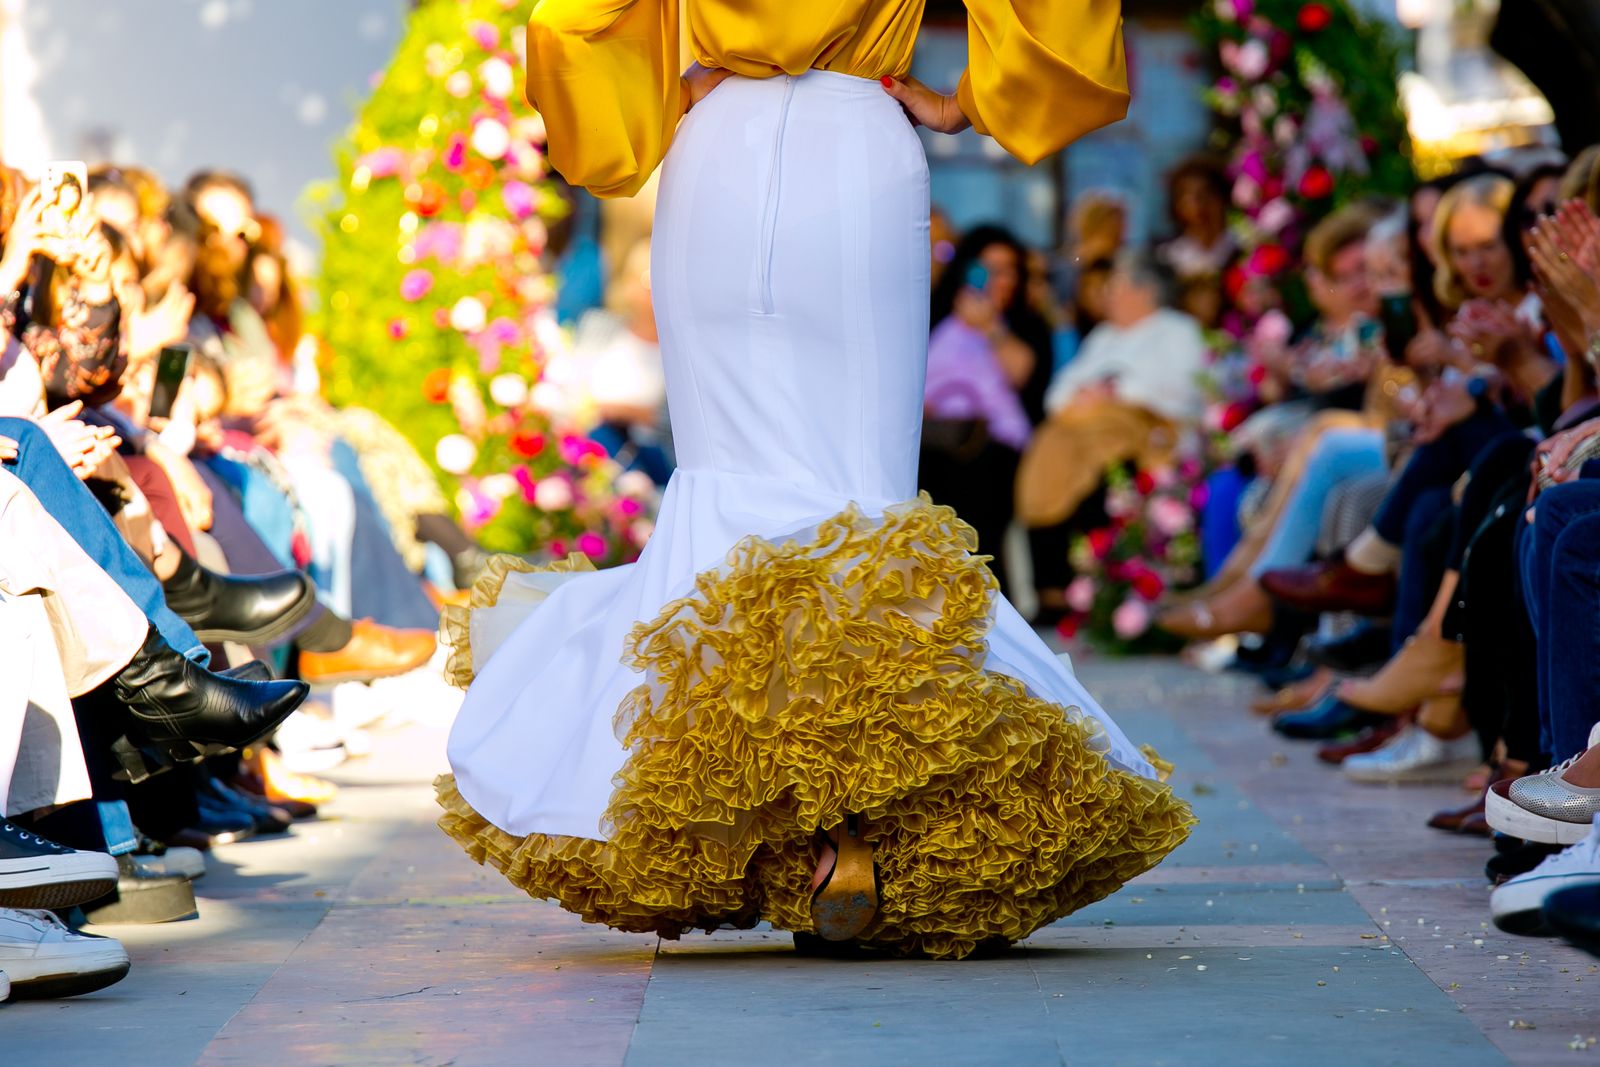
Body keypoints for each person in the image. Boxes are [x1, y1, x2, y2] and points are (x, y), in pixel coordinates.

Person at [437, 2, 1194, 960]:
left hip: (721, 146)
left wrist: (663, 87)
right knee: (856, 495)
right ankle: (853, 830)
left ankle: (787, 832)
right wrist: (971, 99)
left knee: (731, 488)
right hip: (855, 141)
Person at [1015, 251, 1207, 536]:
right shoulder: (1103, 336)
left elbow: (1185, 388)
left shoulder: (1179, 330)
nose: (1107, 295)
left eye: (1114, 285)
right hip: (1075, 429)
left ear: (1145, 290)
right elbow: (1062, 388)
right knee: (1048, 456)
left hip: (1140, 436)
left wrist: (1114, 392)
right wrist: (1082, 397)